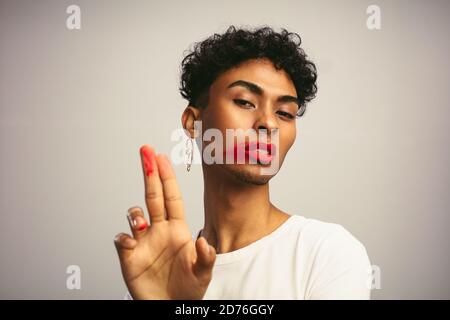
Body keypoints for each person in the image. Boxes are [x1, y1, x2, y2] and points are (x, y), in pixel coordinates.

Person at [114, 26, 372, 300]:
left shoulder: (326, 251)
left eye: (285, 113)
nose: (269, 123)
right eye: (245, 102)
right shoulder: (166, 272)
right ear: (193, 122)